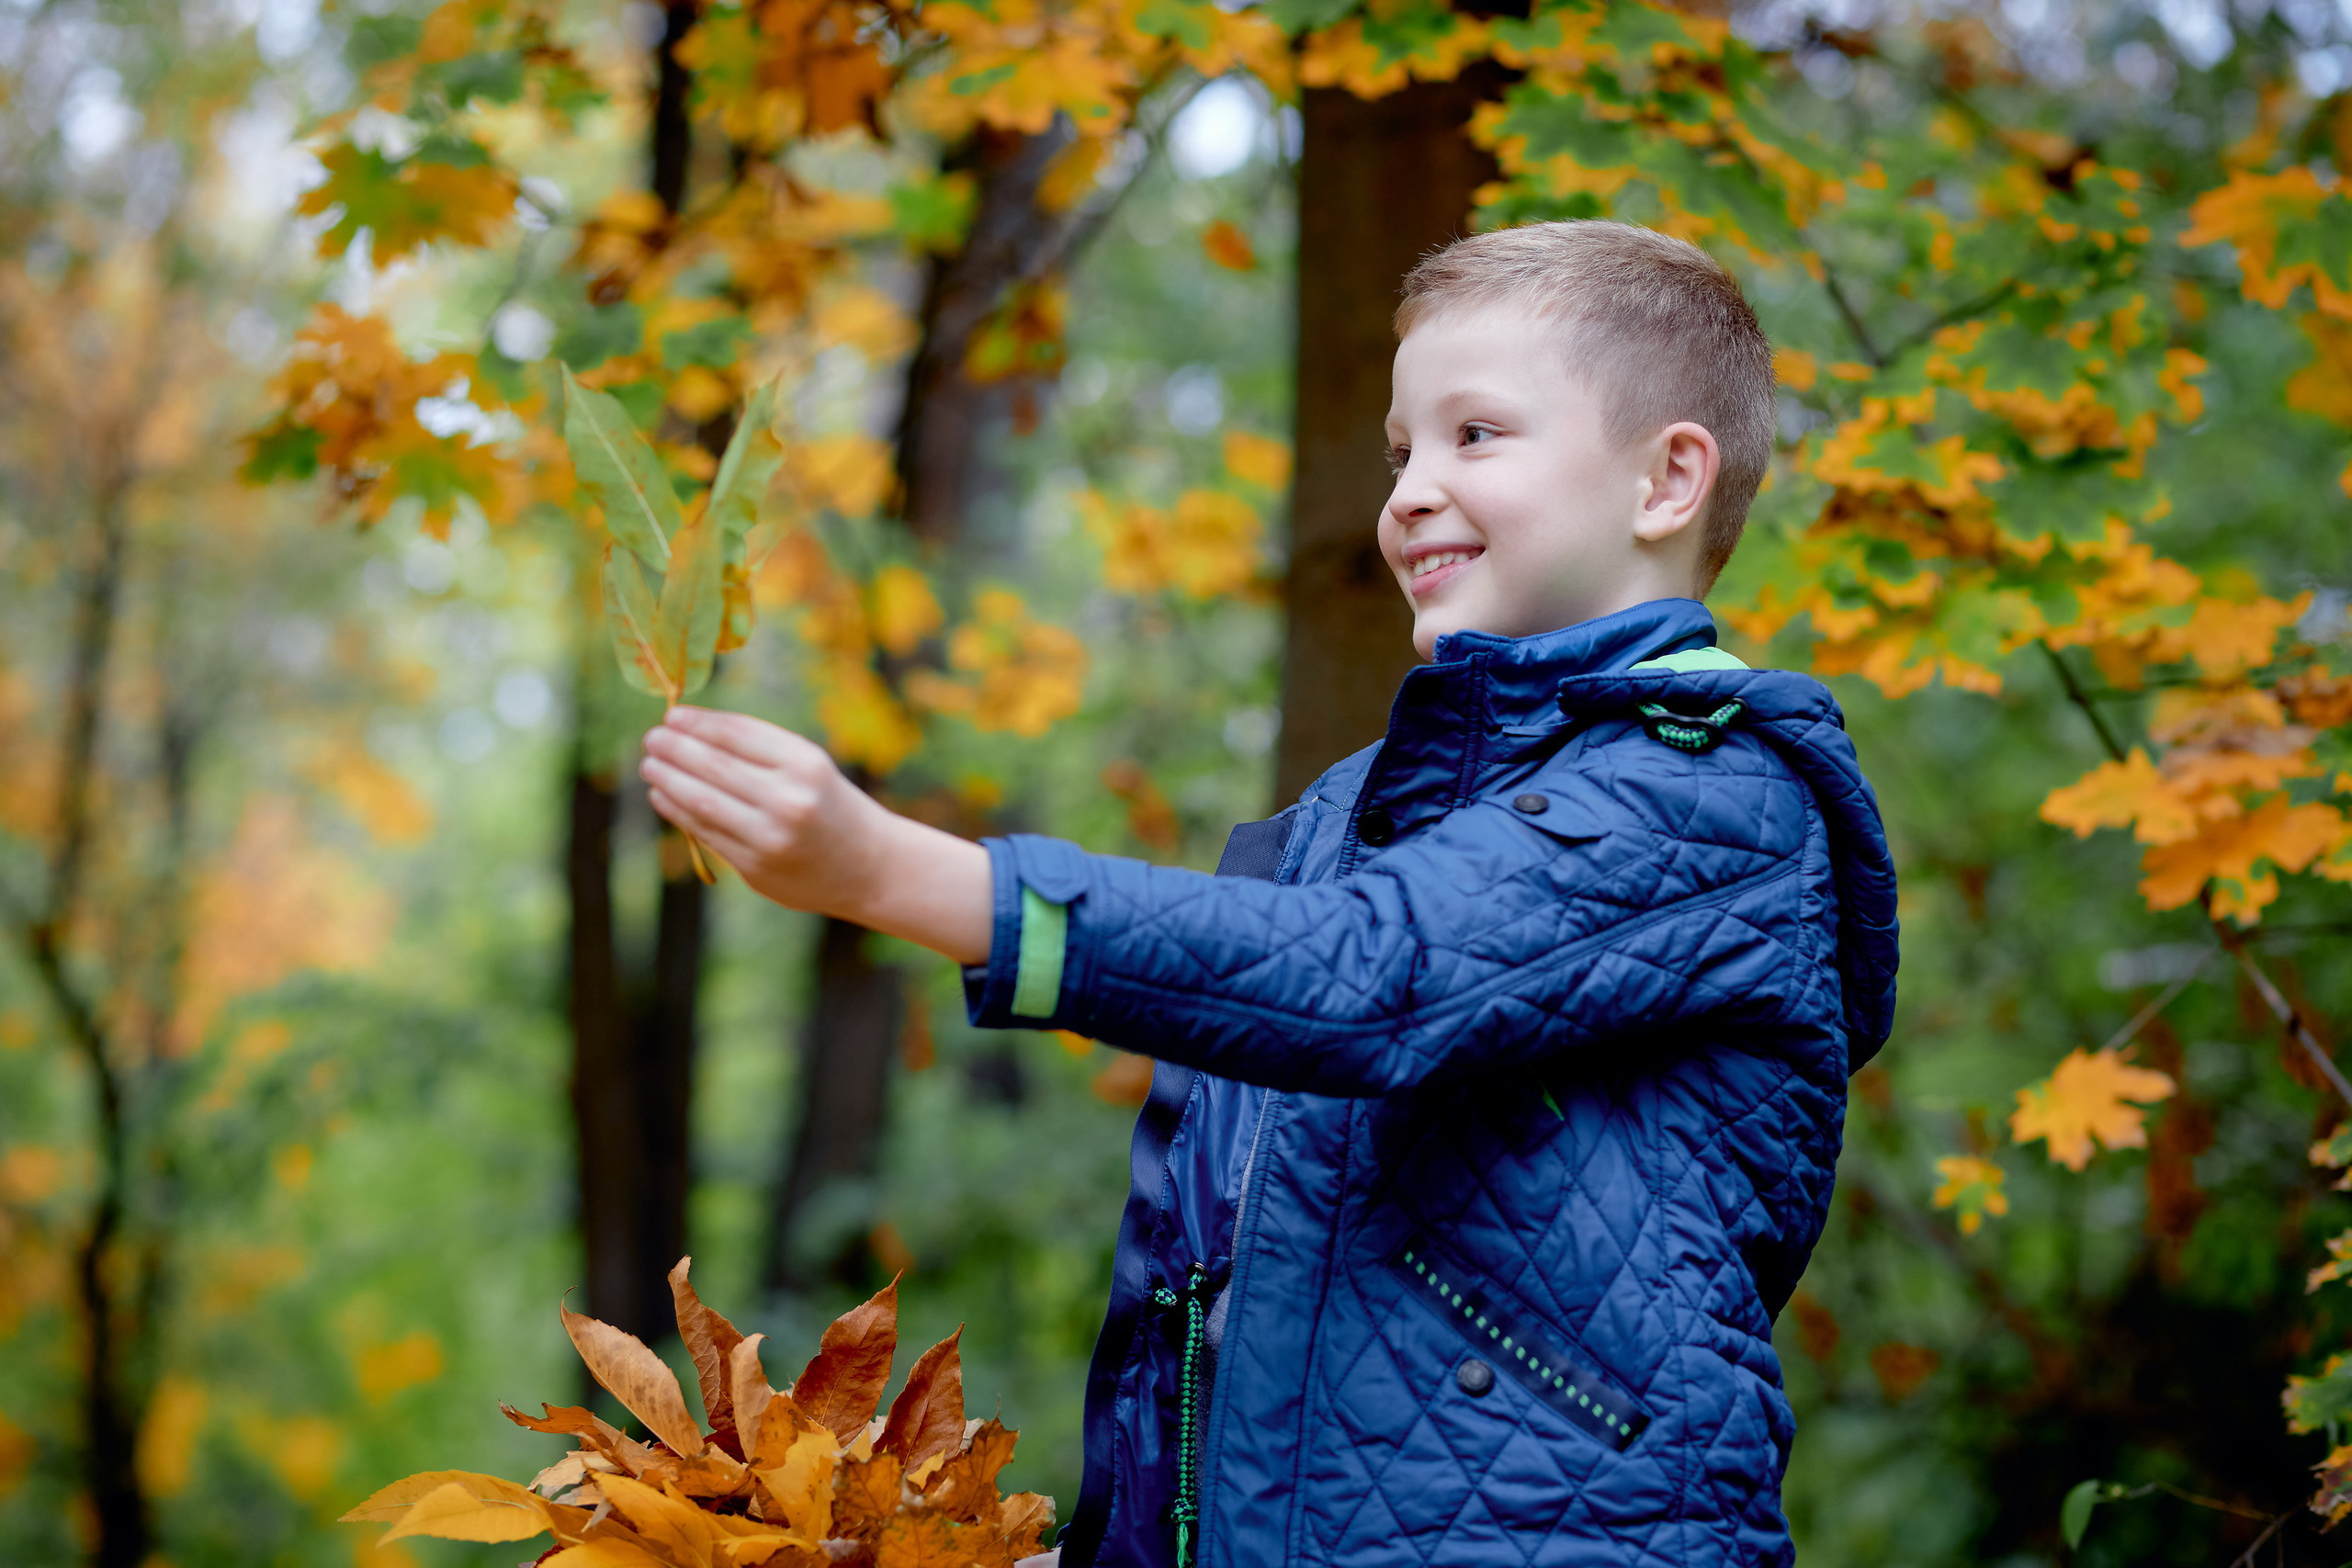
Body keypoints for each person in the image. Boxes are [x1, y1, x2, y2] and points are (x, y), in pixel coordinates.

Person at [639, 219, 1898, 1568]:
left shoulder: (1720, 792)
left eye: (1475, 436)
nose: (1410, 493)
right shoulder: (1341, 822)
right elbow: (1216, 1280)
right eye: (1400, 453)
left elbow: (1370, 982)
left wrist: (892, 872)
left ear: (1667, 481)